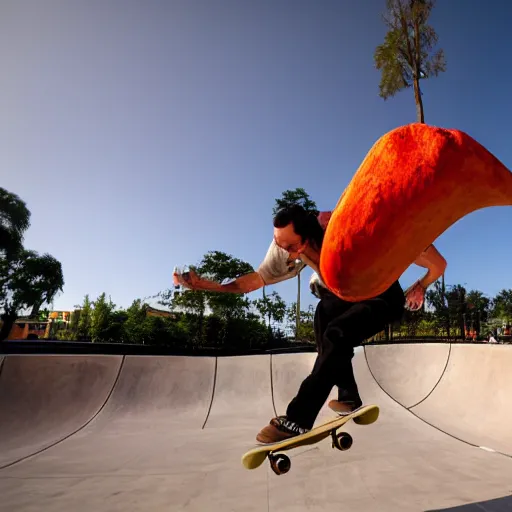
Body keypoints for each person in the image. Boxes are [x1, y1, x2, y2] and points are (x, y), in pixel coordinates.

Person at [173, 204, 447, 443]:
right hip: (347, 296)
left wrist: (421, 285)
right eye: (283, 247)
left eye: (294, 247)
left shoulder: (348, 227)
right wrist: (208, 286)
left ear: (310, 235)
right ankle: (349, 394)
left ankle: (299, 418)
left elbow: (437, 264)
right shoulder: (284, 246)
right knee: (323, 315)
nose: (289, 255)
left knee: (337, 334)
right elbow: (253, 281)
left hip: (382, 297)